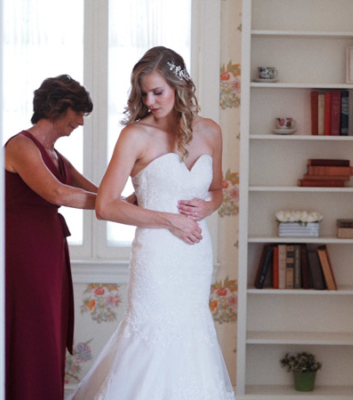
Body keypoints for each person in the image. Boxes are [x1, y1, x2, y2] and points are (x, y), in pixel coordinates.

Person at [69, 47, 235, 399]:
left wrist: (206, 208)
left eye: (157, 91)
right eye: (144, 92)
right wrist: (169, 219)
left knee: (191, 334)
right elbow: (106, 206)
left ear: (179, 86)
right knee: (151, 333)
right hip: (157, 258)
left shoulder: (211, 132)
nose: (150, 100)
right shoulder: (135, 136)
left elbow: (218, 191)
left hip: (194, 255)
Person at [4, 75, 98, 400]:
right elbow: (58, 192)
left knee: (49, 329)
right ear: (60, 106)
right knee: (34, 328)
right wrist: (112, 205)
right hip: (23, 251)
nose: (81, 122)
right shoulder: (20, 145)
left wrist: (135, 202)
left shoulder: (55, 155)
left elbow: (97, 192)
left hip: (49, 251)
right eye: (79, 112)